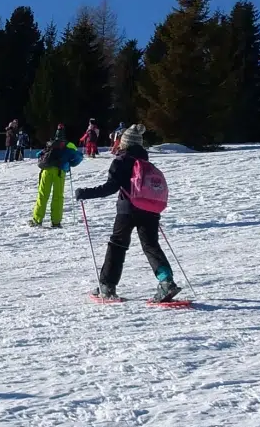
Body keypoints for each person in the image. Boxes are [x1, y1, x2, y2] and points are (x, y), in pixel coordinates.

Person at [77, 124, 179, 302]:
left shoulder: (122, 160)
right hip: (150, 209)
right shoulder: (146, 163)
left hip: (128, 210)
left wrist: (85, 193)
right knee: (151, 246)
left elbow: (110, 187)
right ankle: (166, 282)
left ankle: (107, 286)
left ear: (124, 143)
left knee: (117, 245)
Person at [31, 126, 84, 228]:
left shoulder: (50, 144)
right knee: (58, 196)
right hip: (60, 172)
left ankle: (37, 219)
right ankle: (56, 222)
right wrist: (70, 163)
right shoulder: (69, 145)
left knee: (42, 195)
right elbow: (79, 157)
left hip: (46, 171)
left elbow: (39, 155)